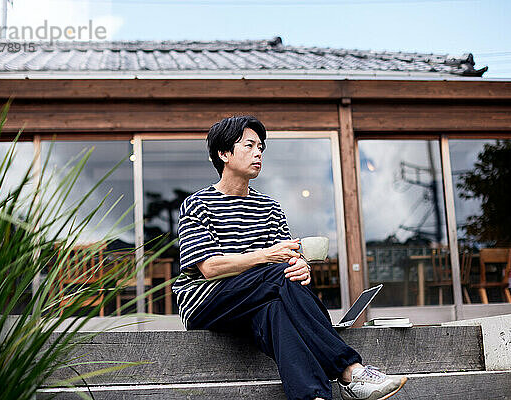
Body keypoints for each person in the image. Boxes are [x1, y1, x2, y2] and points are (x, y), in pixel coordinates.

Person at [172, 115, 407, 400]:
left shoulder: (269, 206)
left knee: (276, 312)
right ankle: (350, 370)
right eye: (249, 145)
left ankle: (313, 396)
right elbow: (209, 267)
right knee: (278, 277)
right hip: (207, 302)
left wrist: (301, 266)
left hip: (258, 300)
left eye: (261, 147)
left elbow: (286, 259)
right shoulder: (197, 204)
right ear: (224, 153)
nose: (258, 152)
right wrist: (267, 257)